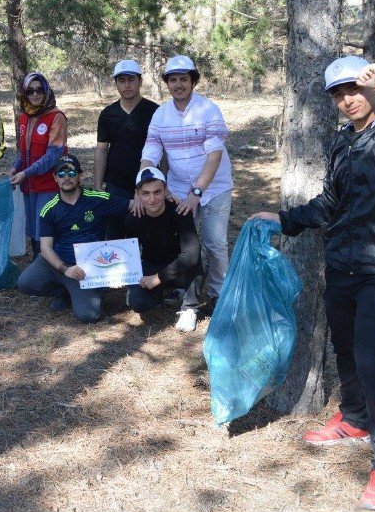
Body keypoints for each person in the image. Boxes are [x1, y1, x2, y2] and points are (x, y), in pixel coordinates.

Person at [251, 57, 375, 511]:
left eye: (354, 89)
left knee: (373, 361)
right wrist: (285, 219)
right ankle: (356, 419)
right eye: (337, 94)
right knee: (345, 349)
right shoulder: (342, 142)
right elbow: (331, 203)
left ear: (371, 89)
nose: (347, 100)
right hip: (341, 262)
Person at [140, 55, 233, 301]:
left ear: (193, 81)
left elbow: (214, 156)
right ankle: (184, 287)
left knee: (215, 242)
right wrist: (142, 184)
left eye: (184, 79)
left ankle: (218, 293)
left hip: (214, 188)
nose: (178, 85)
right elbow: (150, 152)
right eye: (173, 80)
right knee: (183, 245)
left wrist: (197, 193)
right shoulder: (160, 115)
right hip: (178, 188)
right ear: (167, 83)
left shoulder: (208, 109)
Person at [16, 154, 136, 323]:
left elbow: (133, 204)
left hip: (88, 268)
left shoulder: (97, 199)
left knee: (89, 316)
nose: (66, 178)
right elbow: (45, 248)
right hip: (60, 264)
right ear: (55, 178)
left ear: (81, 175)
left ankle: (89, 290)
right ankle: (63, 291)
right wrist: (65, 269)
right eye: (61, 174)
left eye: (72, 173)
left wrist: (158, 199)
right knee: (25, 282)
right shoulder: (49, 209)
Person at [122, 167, 203, 331]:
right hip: (152, 264)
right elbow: (129, 253)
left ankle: (189, 308)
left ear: (166, 190)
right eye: (146, 193)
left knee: (200, 256)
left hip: (180, 265)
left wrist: (157, 279)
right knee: (137, 303)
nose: (152, 199)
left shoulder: (180, 211)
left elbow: (190, 256)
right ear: (138, 194)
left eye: (157, 192)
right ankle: (163, 292)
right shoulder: (133, 218)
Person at [93, 59, 158, 240]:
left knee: (150, 236)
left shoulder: (155, 112)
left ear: (140, 81)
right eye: (121, 81)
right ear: (116, 84)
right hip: (116, 186)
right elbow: (101, 150)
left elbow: (164, 150)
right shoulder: (108, 114)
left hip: (149, 185)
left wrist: (164, 180)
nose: (127, 85)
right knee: (115, 236)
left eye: (131, 80)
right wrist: (98, 186)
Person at [10, 72, 67, 257]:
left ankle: (49, 266)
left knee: (45, 226)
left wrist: (26, 172)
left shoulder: (56, 117)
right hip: (28, 185)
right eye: (30, 91)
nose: (35, 95)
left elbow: (53, 156)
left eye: (39, 90)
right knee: (33, 226)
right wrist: (15, 167)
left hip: (48, 184)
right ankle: (37, 261)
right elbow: (23, 151)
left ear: (46, 91)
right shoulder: (24, 117)